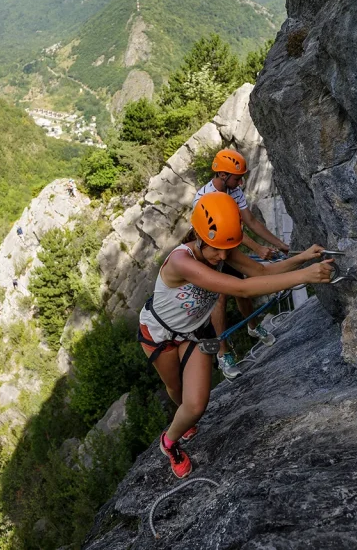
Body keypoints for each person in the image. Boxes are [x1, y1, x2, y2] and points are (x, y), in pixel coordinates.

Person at [138, 192, 334, 478]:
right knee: (175, 389)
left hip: (195, 333)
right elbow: (241, 288)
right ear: (199, 237)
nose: (222, 256)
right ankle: (175, 431)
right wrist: (305, 276)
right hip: (159, 334)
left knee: (196, 406)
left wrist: (304, 259)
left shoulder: (223, 250)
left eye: (226, 249)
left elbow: (259, 271)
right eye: (216, 249)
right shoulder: (182, 262)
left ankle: (168, 442)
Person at [192, 149, 292, 378]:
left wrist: (278, 244)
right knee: (219, 299)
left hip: (230, 249)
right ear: (223, 175)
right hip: (212, 252)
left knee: (244, 293)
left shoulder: (233, 190)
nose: (241, 181)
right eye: (237, 177)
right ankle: (223, 355)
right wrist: (257, 248)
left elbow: (250, 221)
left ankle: (253, 327)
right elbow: (227, 231)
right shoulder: (204, 199)